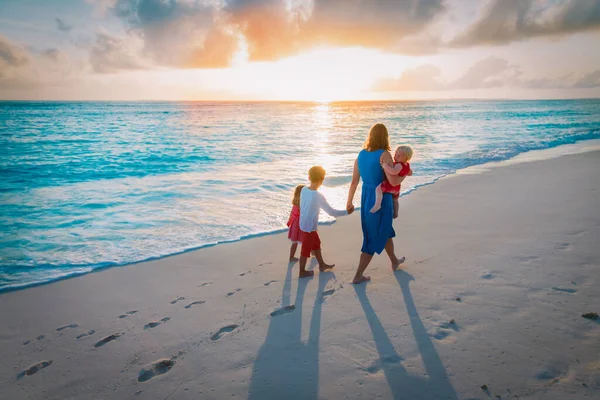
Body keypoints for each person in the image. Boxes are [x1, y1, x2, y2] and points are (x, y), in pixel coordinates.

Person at [346, 124, 406, 284]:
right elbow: (393, 181)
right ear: (385, 137)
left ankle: (394, 261)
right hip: (381, 197)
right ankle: (358, 275)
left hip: (367, 198)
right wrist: (404, 176)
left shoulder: (360, 155)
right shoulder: (384, 154)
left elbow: (354, 182)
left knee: (384, 230)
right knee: (373, 236)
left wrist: (349, 202)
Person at [298, 166, 353, 278]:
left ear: (309, 177)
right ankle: (302, 272)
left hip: (304, 224)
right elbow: (332, 212)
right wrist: (347, 212)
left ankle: (322, 265)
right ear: (321, 180)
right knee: (305, 250)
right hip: (309, 227)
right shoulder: (318, 196)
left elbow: (302, 205)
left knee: (317, 244)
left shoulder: (303, 189)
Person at [370, 145, 413, 218]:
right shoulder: (407, 165)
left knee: (378, 190)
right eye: (395, 154)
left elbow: (393, 172)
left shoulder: (399, 165)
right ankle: (395, 213)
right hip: (397, 188)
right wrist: (405, 173)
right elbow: (410, 173)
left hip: (389, 186)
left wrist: (385, 166)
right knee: (395, 200)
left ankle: (377, 205)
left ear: (405, 157)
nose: (395, 156)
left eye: (398, 156)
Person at [287, 184, 304, 263]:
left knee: (295, 242)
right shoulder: (302, 203)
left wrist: (289, 222)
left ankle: (291, 257)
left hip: (295, 224)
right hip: (301, 223)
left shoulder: (295, 203)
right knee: (307, 238)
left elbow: (292, 214)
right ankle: (313, 252)